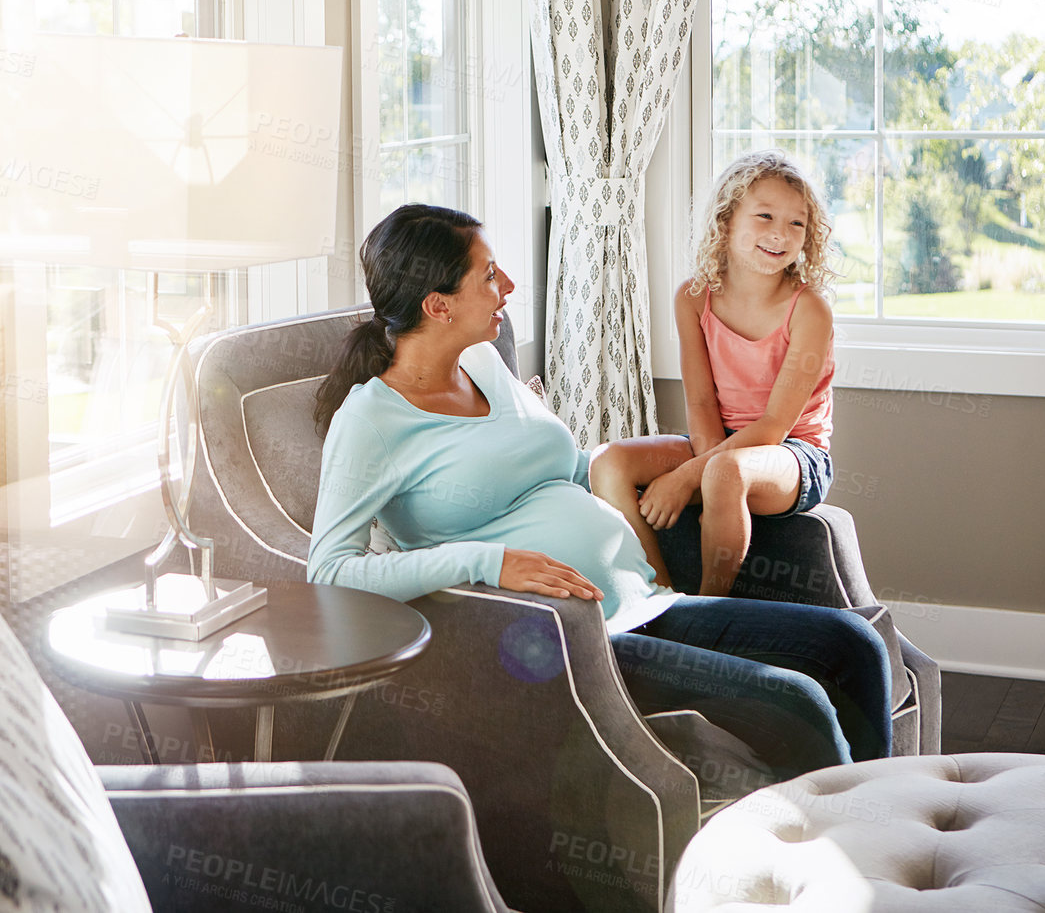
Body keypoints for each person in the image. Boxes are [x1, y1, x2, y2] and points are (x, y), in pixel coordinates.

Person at [306, 203, 888, 781]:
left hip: (646, 601)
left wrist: (676, 469)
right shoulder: (371, 423)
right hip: (579, 643)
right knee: (797, 705)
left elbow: (569, 470)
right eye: (487, 275)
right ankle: (840, 858)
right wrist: (489, 561)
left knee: (853, 644)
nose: (507, 285)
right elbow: (330, 573)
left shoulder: (481, 361)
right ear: (438, 306)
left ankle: (895, 830)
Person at [590, 150, 835, 595]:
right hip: (716, 442)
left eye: (796, 223)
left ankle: (708, 607)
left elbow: (775, 426)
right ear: (726, 222)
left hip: (793, 455)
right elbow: (701, 402)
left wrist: (689, 476)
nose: (781, 233)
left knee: (725, 473)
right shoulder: (694, 296)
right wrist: (705, 461)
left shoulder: (809, 309)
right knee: (608, 462)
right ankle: (658, 596)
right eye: (764, 216)